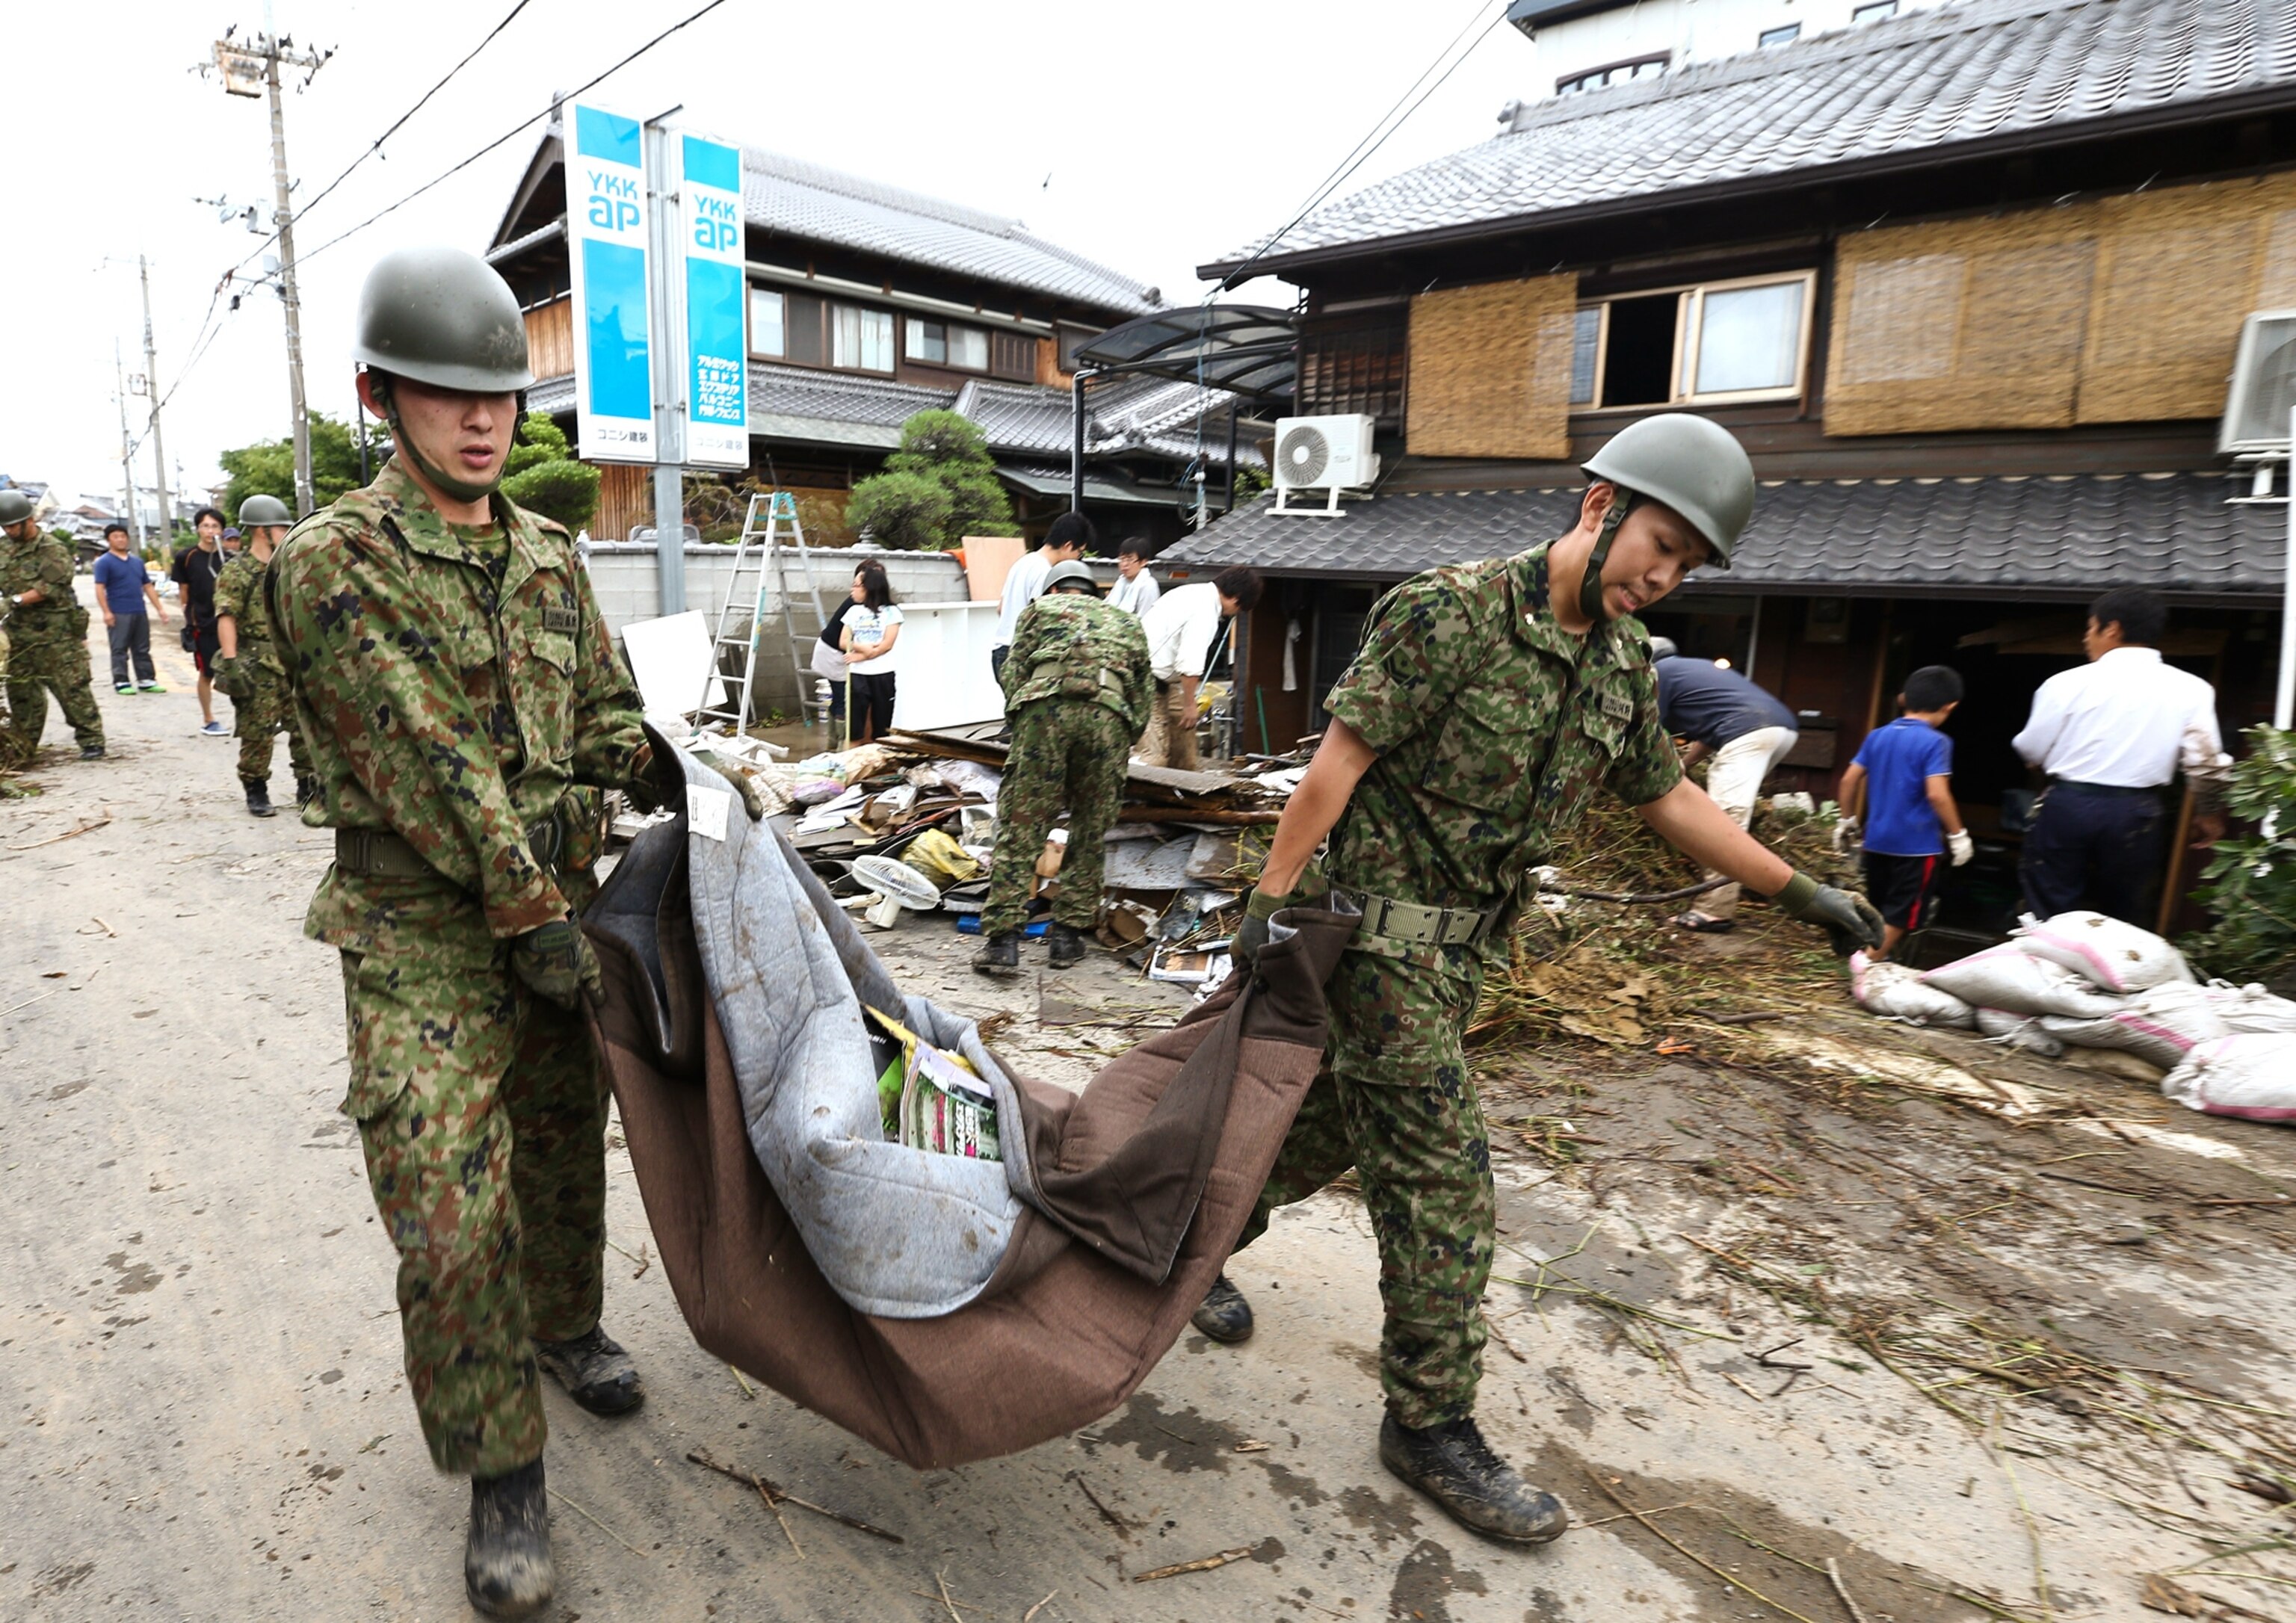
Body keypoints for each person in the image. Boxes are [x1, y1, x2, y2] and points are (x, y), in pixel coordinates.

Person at [1206, 415, 1881, 1545]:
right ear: (1598, 507)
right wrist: (1268, 907)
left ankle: (1187, 1246)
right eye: (1658, 544)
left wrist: (1792, 890)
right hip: (1377, 944)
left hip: (1460, 958)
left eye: (1687, 566)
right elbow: (1339, 764)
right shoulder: (1449, 612)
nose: (1662, 578)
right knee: (1444, 1181)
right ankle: (1430, 1422)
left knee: (1325, 1131)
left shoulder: (1621, 671)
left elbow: (1667, 800)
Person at [267, 245, 762, 1619]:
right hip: (426, 929)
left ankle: (562, 1327)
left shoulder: (548, 553)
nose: (481, 420)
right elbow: (434, 766)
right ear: (381, 396)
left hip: (555, 905)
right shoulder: (336, 562)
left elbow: (599, 711)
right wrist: (537, 920)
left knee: (556, 1150)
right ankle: (500, 1470)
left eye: (497, 396)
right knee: (444, 1205)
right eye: (444, 394)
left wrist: (675, 774)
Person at [973, 560, 1152, 977]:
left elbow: (1013, 671)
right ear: (1095, 593)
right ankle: (1067, 940)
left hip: (1046, 712)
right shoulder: (1126, 621)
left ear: (1055, 590)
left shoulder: (1038, 610)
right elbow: (1143, 695)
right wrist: (1120, 734)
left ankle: (1002, 944)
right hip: (1109, 716)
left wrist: (1024, 718)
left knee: (1022, 827)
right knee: (1089, 832)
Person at [2010, 587, 2231, 924]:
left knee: (2048, 909)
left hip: (2069, 805)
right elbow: (2205, 763)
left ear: (2111, 629)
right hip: (2137, 813)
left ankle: (2049, 971)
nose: (2087, 639)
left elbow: (2031, 748)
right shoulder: (2192, 689)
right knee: (2124, 913)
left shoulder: (2065, 683)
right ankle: (2116, 975)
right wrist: (2208, 813)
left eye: (2090, 628)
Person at [1649, 638, 1798, 932]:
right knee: (1735, 815)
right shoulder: (1693, 670)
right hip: (1781, 728)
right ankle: (1756, 880)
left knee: (1722, 819)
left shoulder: (1659, 674)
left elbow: (1650, 728)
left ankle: (1714, 911)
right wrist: (1684, 765)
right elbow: (1711, 732)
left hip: (1747, 731)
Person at [1836, 666, 1973, 958]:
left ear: (1903, 699)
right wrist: (1958, 834)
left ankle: (1869, 958)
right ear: (1951, 706)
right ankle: (1861, 965)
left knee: (1880, 910)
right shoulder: (1937, 742)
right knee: (1902, 918)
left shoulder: (1877, 736)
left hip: (1876, 843)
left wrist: (1846, 821)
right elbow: (1937, 794)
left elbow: (1848, 780)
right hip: (1916, 848)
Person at [212, 493, 312, 817]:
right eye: (281, 528)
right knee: (258, 731)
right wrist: (231, 662)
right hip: (258, 662)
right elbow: (226, 615)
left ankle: (308, 786)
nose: (287, 533)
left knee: (305, 729)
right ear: (262, 531)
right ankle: (256, 788)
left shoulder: (293, 567)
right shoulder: (237, 571)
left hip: (295, 661)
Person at [0, 488, 105, 762]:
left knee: (72, 690)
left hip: (56, 635)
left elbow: (50, 587)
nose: (9, 531)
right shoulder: (3, 549)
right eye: (5, 527)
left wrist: (14, 600)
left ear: (29, 521)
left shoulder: (53, 549)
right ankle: (24, 747)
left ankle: (91, 739)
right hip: (19, 635)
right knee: (21, 693)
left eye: (13, 526)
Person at [1138, 566, 1261, 770]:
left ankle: (1183, 782)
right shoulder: (1205, 611)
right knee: (1154, 757)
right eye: (1239, 609)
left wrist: (1187, 707)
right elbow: (1190, 665)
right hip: (1144, 678)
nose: (1234, 614)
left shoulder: (1190, 591)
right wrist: (1190, 705)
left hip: (1164, 679)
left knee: (1185, 735)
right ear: (1236, 598)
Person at [991, 513, 1090, 681]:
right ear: (1068, 546)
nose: (1078, 559)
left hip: (1001, 649)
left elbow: (1001, 608)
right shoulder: (1046, 572)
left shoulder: (1023, 562)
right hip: (1020, 655)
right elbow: (1044, 620)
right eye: (1080, 553)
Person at [170, 506, 230, 737]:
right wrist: (188, 617)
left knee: (240, 669)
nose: (210, 530)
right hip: (203, 624)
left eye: (215, 526)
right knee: (207, 672)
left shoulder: (229, 559)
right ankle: (208, 719)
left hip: (229, 622)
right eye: (206, 526)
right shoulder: (186, 557)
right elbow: (183, 590)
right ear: (198, 529)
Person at [92, 522, 171, 693]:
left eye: (123, 536)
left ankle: (146, 679)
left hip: (139, 610)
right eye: (116, 537)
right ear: (108, 540)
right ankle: (121, 681)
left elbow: (148, 586)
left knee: (142, 647)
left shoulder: (137, 562)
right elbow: (99, 588)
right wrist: (106, 612)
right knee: (119, 648)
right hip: (118, 611)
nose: (120, 540)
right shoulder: (104, 563)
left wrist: (160, 609)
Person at [840, 561, 903, 744]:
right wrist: (863, 648)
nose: (852, 590)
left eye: (856, 586)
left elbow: (887, 645)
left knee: (881, 728)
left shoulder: (892, 612)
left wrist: (860, 655)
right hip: (858, 675)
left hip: (883, 675)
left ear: (869, 588)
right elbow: (844, 640)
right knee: (855, 728)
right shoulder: (853, 611)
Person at [810, 593, 855, 735]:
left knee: (838, 697)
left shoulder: (856, 601)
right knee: (842, 699)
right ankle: (841, 743)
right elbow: (844, 642)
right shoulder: (857, 605)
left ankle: (833, 741)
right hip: (832, 653)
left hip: (828, 649)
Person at [1108, 537, 1161, 616]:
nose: (1124, 564)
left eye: (1130, 560)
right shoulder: (1121, 581)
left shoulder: (1148, 586)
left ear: (1143, 562)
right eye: (1122, 559)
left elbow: (1146, 618)